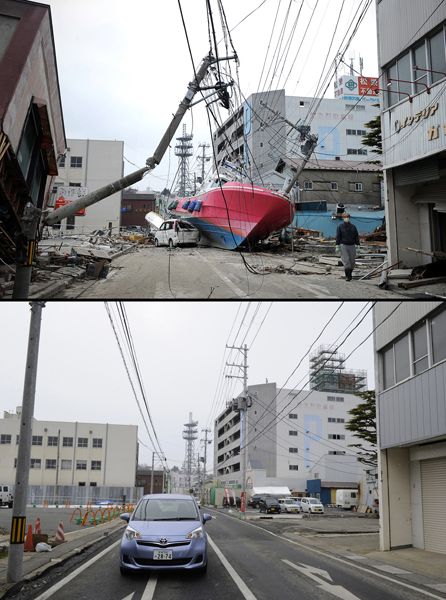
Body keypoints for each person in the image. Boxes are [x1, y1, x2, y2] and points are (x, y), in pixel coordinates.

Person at [335, 214, 359, 281]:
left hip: (352, 245)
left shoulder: (353, 227)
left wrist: (358, 245)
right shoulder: (340, 227)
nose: (346, 218)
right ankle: (348, 276)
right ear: (343, 218)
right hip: (344, 245)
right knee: (346, 261)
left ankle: (350, 274)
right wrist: (337, 245)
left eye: (347, 217)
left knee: (352, 262)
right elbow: (338, 236)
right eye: (345, 217)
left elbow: (356, 236)